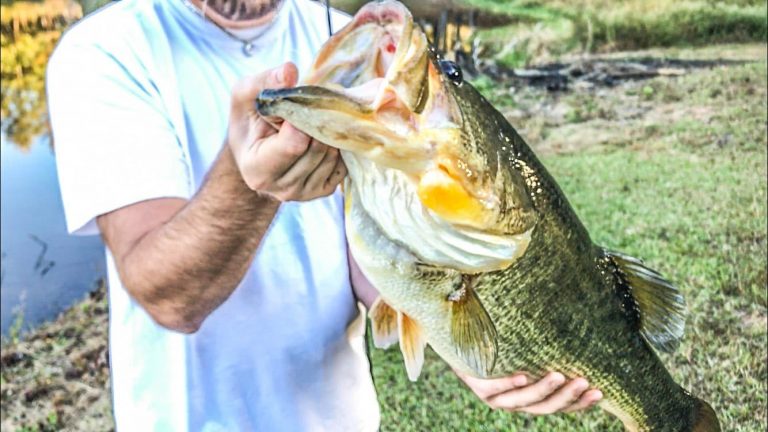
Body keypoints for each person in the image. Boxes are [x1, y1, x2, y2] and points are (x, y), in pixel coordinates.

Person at [46, 0, 603, 430]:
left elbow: (377, 237)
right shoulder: (106, 51)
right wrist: (251, 186)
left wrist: (452, 330)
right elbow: (168, 296)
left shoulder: (345, 35)